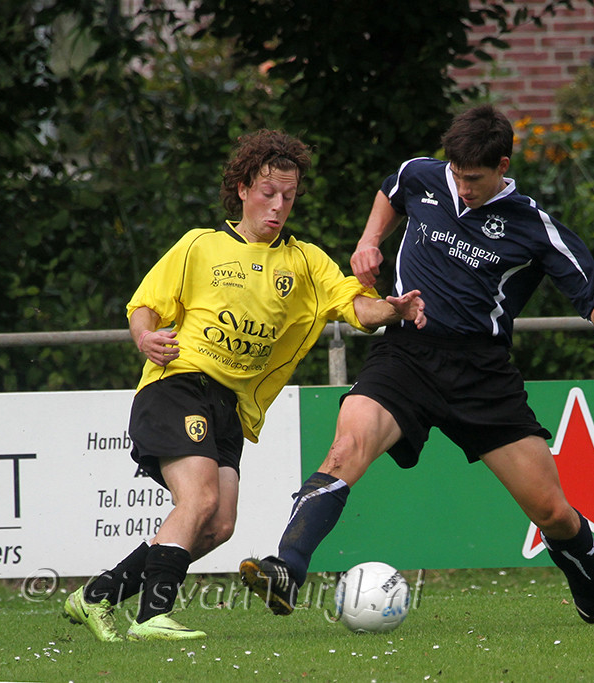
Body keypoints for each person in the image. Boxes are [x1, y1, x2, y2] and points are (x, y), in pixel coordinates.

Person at [239, 104, 594, 626]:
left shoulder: (532, 225)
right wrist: (369, 241)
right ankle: (286, 568)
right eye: (457, 175)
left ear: (502, 166)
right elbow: (392, 188)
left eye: (474, 179)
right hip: (405, 354)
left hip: (480, 373)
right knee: (344, 450)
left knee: (552, 511)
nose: (462, 188)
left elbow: (589, 290)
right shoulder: (423, 176)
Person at [63, 129, 426, 642]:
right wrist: (145, 337)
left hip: (230, 407)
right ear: (241, 189)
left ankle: (96, 595)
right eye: (268, 193)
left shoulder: (305, 262)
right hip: (177, 384)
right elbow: (144, 304)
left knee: (218, 525)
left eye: (289, 197)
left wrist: (393, 309)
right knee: (199, 499)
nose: (278, 207)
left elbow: (356, 308)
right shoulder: (200, 245)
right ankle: (150, 617)